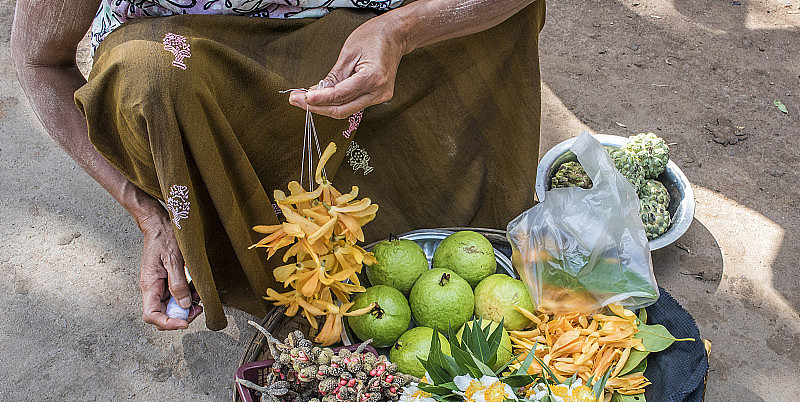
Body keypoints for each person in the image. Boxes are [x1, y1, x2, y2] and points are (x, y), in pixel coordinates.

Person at [11, 0, 546, 332]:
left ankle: (453, 226)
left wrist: (404, 30)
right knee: (149, 79)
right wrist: (148, 213)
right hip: (196, 52)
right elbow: (38, 60)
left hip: (371, 24)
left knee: (488, 23)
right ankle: (269, 274)